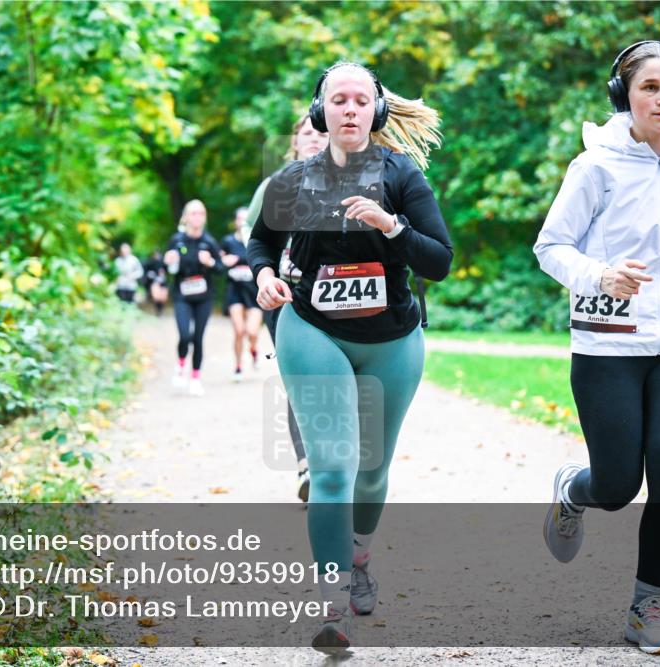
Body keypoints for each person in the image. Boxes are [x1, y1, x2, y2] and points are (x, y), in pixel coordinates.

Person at [534, 41, 660, 655]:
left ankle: (646, 606)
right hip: (609, 345)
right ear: (625, 95)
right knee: (619, 486)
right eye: (650, 87)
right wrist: (600, 275)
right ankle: (576, 488)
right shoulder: (594, 167)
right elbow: (551, 247)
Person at [248, 62, 451, 655]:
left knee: (372, 471)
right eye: (339, 100)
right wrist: (264, 274)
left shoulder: (401, 175)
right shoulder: (293, 179)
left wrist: (392, 226)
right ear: (322, 111)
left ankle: (360, 554)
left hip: (392, 339)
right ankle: (331, 601)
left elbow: (438, 260)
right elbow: (261, 240)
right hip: (313, 330)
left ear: (377, 112)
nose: (351, 109)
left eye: (362, 100)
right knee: (333, 468)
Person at [246, 113, 329, 502]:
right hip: (283, 295)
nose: (314, 139)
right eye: (307, 133)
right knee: (301, 381)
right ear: (294, 142)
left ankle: (340, 463)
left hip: (330, 293)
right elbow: (255, 240)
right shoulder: (273, 186)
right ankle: (308, 465)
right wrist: (268, 276)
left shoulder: (346, 181)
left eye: (320, 133)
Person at [164, 200, 223, 397]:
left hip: (204, 297)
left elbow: (221, 268)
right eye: (193, 213)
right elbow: (166, 269)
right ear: (186, 217)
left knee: (198, 338)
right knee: (184, 335)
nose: (197, 217)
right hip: (182, 295)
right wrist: (168, 263)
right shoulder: (176, 240)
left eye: (201, 213)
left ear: (204, 218)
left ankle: (195, 378)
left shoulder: (209, 242)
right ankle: (180, 365)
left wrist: (211, 262)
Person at [220, 207, 263, 381]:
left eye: (246, 219)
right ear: (235, 221)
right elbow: (218, 263)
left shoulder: (256, 241)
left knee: (251, 332)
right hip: (235, 291)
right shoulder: (228, 242)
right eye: (239, 219)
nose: (242, 222)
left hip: (253, 291)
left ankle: (253, 350)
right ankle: (238, 367)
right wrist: (223, 262)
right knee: (239, 331)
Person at [142, 249, 168, 317]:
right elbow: (146, 270)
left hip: (163, 283)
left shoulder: (164, 262)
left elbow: (168, 270)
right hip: (155, 282)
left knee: (163, 298)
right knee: (157, 298)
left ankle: (161, 311)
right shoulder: (150, 263)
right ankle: (158, 311)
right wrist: (150, 274)